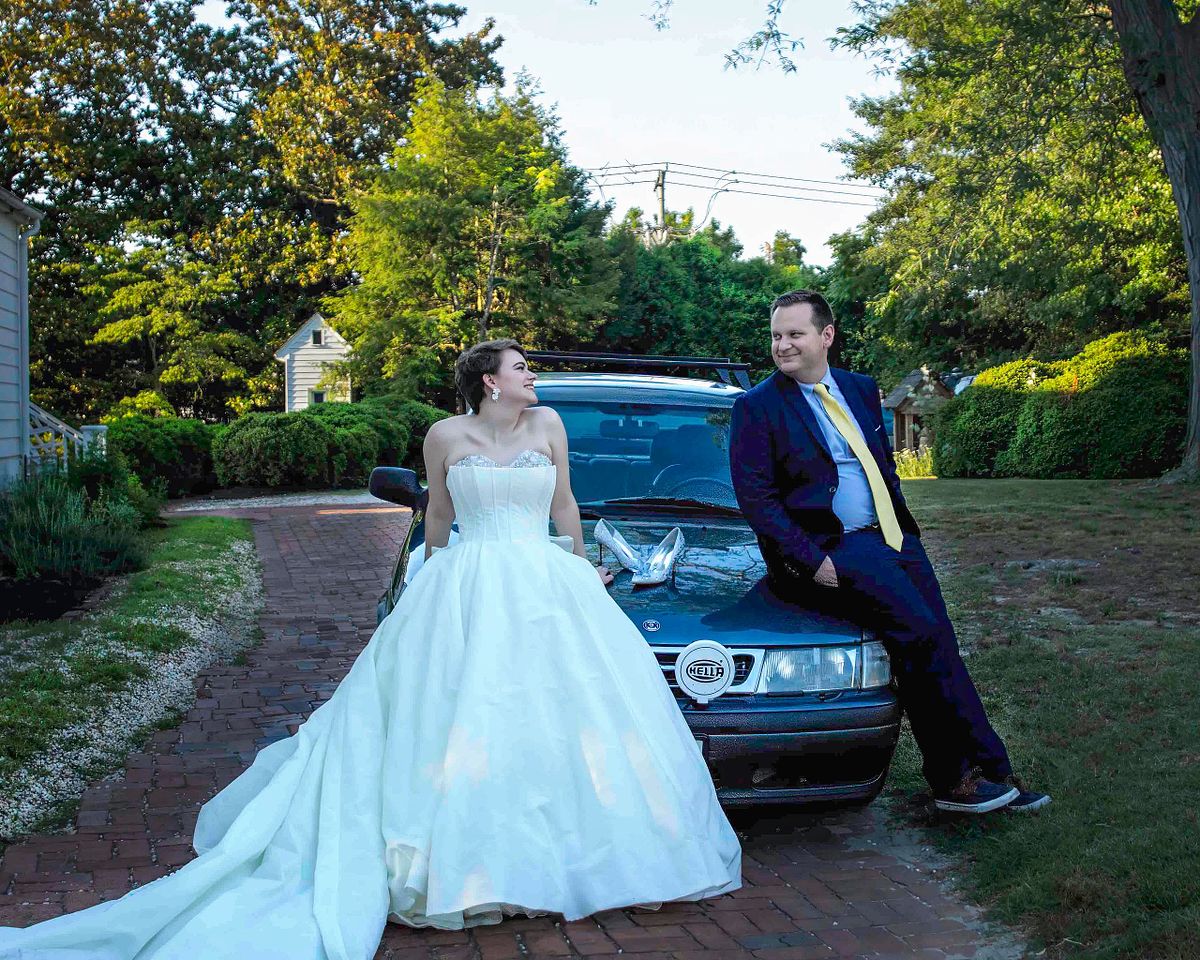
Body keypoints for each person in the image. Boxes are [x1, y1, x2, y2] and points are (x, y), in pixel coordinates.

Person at [0, 338, 742, 959]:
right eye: (520, 367)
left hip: (551, 583)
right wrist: (431, 579)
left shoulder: (549, 424)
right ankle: (463, 865)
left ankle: (569, 856)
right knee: (460, 712)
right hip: (470, 581)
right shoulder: (446, 437)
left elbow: (565, 505)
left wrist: (581, 566)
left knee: (557, 712)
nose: (530, 376)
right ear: (489, 381)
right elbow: (441, 515)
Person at [728, 289, 1050, 815]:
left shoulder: (859, 388)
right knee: (920, 638)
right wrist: (814, 562)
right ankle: (953, 782)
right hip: (836, 551)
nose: (782, 345)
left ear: (825, 336)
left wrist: (900, 527)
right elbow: (758, 501)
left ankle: (994, 771)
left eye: (794, 334)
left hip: (894, 540)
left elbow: (879, 464)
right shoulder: (757, 408)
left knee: (940, 641)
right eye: (776, 335)